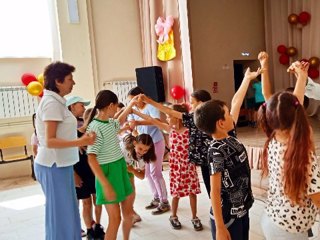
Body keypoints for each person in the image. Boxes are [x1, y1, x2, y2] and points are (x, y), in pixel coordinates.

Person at [193, 67, 260, 240]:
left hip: (242, 209)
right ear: (221, 123)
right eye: (228, 114)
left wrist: (247, 79)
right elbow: (215, 192)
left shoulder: (229, 136)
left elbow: (236, 101)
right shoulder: (216, 150)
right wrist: (221, 228)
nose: (232, 115)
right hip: (227, 217)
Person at [34, 62, 96, 240]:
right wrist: (80, 141)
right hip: (52, 165)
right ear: (58, 81)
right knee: (60, 215)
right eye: (70, 79)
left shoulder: (57, 102)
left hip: (62, 164)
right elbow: (49, 141)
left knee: (68, 213)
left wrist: (80, 142)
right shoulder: (51, 104)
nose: (73, 83)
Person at [132, 104, 203, 231]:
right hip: (176, 168)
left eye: (170, 116)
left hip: (189, 166)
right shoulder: (170, 129)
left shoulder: (190, 130)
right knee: (176, 194)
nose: (168, 119)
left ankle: (194, 217)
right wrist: (136, 115)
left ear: (178, 117)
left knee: (193, 193)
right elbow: (152, 120)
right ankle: (173, 215)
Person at [137, 89, 214, 198]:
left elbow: (170, 112)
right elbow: (169, 112)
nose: (190, 106)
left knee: (216, 188)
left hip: (212, 158)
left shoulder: (201, 119)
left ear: (201, 103)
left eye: (192, 102)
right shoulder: (194, 118)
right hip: (203, 160)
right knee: (211, 189)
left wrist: (149, 101)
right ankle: (216, 209)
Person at [85, 90, 136, 240]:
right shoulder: (95, 127)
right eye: (116, 106)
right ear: (110, 105)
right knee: (115, 219)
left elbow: (118, 120)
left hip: (119, 168)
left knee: (125, 216)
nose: (117, 109)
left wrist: (131, 104)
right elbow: (91, 158)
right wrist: (105, 184)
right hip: (107, 173)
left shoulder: (108, 122)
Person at [66, 97, 105, 240]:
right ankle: (89, 230)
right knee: (86, 203)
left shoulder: (93, 132)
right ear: (71, 107)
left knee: (98, 200)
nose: (83, 109)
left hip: (94, 171)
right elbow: (65, 155)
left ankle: (98, 227)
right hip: (80, 171)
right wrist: (74, 173)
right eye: (81, 106)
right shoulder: (69, 132)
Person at [127, 87, 170, 215]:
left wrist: (138, 122)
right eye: (130, 101)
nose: (133, 103)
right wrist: (132, 128)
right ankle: (156, 197)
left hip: (156, 142)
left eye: (134, 99)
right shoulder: (133, 110)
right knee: (148, 173)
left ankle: (164, 201)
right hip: (143, 144)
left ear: (141, 96)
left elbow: (157, 122)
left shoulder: (151, 106)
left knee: (155, 173)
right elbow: (132, 125)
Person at [121, 133, 157, 223]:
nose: (142, 152)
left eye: (145, 150)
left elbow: (142, 176)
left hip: (128, 169)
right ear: (134, 143)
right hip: (116, 167)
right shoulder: (123, 147)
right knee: (122, 192)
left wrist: (133, 170)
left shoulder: (142, 156)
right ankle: (127, 214)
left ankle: (130, 211)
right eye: (140, 148)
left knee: (131, 191)